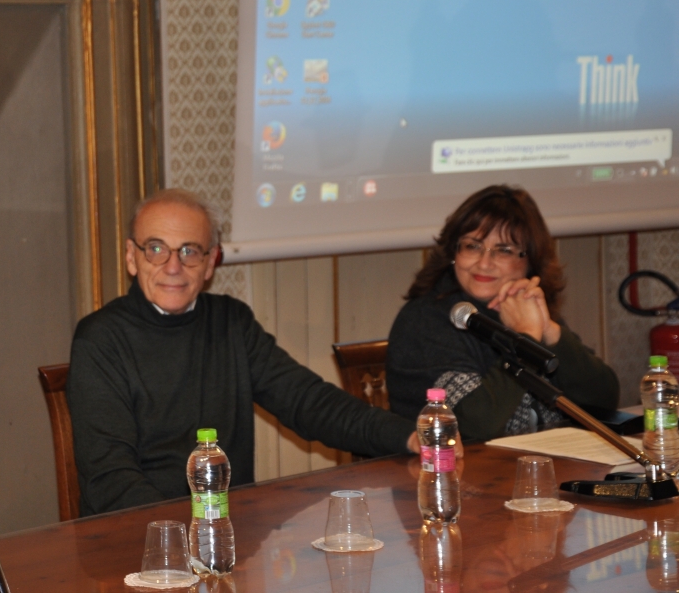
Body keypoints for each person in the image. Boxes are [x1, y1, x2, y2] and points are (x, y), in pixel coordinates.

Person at [67, 188, 423, 516]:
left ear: (210, 263)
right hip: (140, 546)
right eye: (156, 248)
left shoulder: (230, 322)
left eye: (190, 250)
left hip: (226, 536)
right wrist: (183, 537)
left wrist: (407, 435)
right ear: (132, 257)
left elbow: (307, 401)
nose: (173, 266)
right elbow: (111, 479)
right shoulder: (100, 338)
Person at [386, 184, 619, 441]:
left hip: (537, 466)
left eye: (504, 250)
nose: (484, 263)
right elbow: (473, 426)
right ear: (454, 252)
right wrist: (526, 338)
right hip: (446, 473)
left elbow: (604, 402)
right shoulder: (425, 320)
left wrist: (550, 331)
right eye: (472, 246)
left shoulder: (520, 308)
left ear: (530, 261)